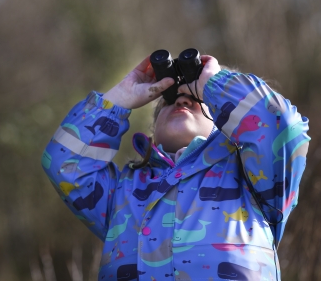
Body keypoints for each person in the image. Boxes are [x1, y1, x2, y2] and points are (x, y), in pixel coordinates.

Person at [41, 54, 310, 280]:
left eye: (196, 100)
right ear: (154, 131)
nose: (181, 101)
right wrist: (119, 99)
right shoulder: (124, 192)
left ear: (227, 123)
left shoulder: (254, 178)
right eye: (169, 100)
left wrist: (212, 83)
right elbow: (65, 164)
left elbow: (282, 128)